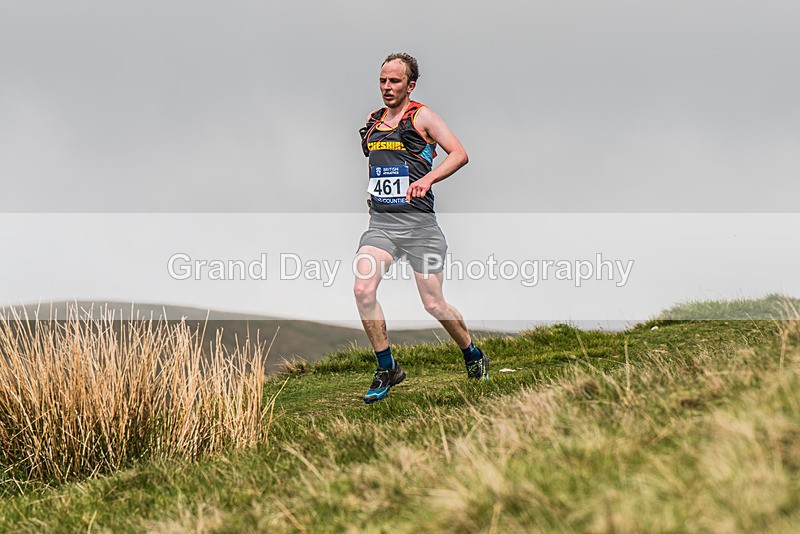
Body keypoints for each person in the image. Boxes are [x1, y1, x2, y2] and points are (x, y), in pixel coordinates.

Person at [354, 52, 489, 404]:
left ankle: (472, 353)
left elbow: (459, 153)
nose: (387, 87)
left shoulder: (422, 116)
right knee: (362, 289)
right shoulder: (371, 121)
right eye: (383, 80)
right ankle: (388, 367)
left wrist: (427, 179)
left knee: (434, 304)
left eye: (395, 81)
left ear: (410, 85)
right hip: (382, 223)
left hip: (420, 227)